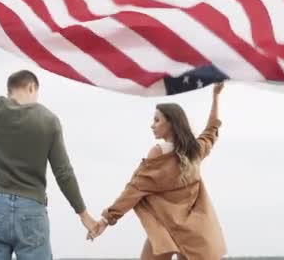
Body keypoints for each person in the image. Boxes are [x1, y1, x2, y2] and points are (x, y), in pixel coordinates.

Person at [0, 18, 97, 260]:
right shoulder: (49, 120)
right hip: (32, 210)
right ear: (31, 87)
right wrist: (83, 214)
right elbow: (63, 172)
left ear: (9, 90)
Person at [89, 82, 227, 260]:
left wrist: (106, 219)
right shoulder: (195, 151)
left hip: (165, 229)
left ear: (171, 123)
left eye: (157, 120)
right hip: (193, 231)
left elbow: (135, 189)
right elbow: (211, 129)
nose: (152, 125)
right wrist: (216, 96)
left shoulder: (159, 152)